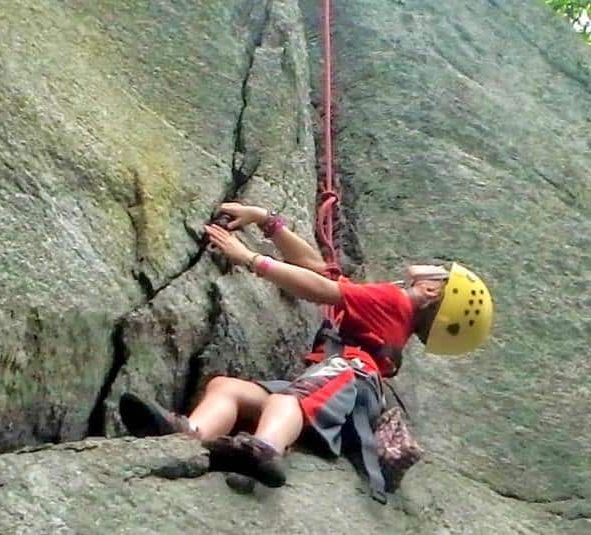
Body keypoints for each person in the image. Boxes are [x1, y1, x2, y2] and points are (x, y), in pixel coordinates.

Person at [119, 202, 493, 492]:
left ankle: (264, 449)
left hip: (346, 377)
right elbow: (318, 267)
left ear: (431, 291)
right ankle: (191, 434)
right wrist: (266, 220)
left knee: (288, 401)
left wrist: (249, 259)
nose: (432, 267)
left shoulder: (393, 301)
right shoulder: (395, 311)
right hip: (340, 386)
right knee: (228, 388)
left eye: (439, 274)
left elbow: (320, 288)